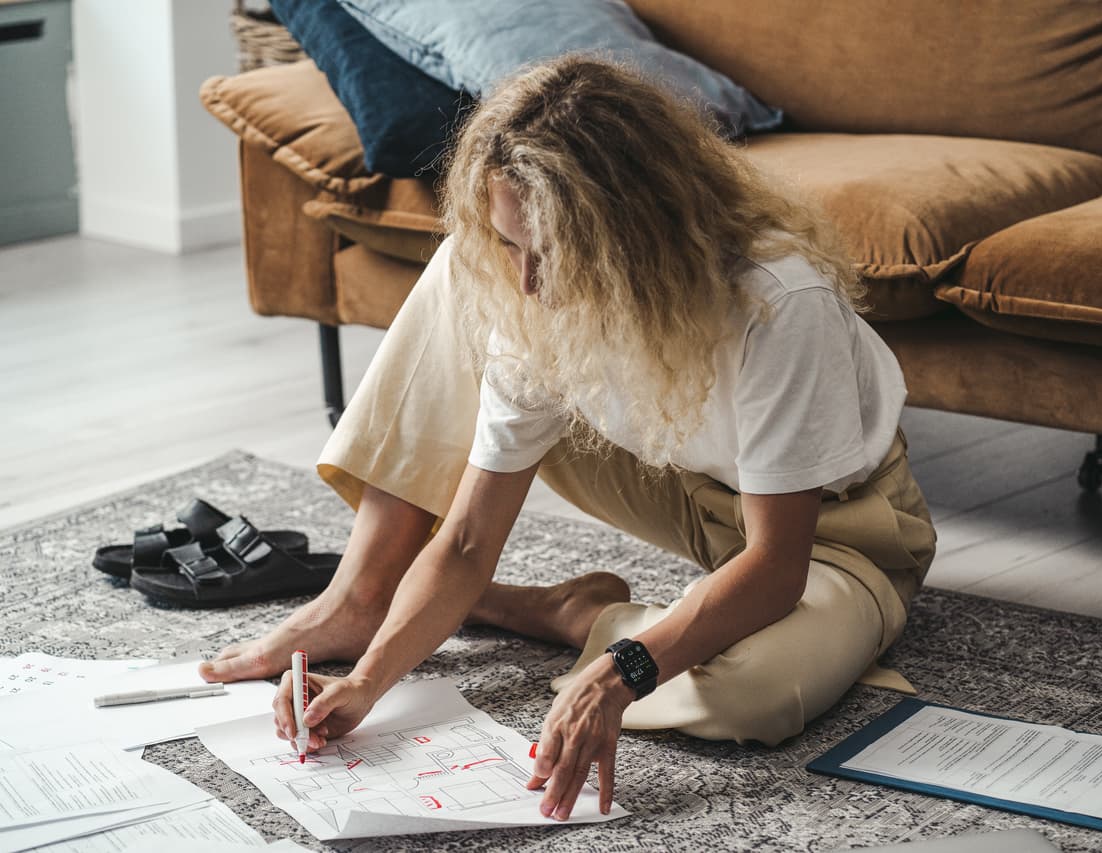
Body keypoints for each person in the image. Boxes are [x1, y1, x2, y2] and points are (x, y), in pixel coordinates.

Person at [198, 55, 936, 821]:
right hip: (676, 472)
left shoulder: (780, 299)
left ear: (632, 231)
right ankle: (367, 592)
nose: (527, 281)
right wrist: (368, 679)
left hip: (834, 534)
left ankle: (564, 615)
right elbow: (466, 542)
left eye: (549, 251)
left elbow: (776, 565)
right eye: (513, 243)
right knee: (466, 270)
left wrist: (620, 671)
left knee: (748, 693)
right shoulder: (533, 292)